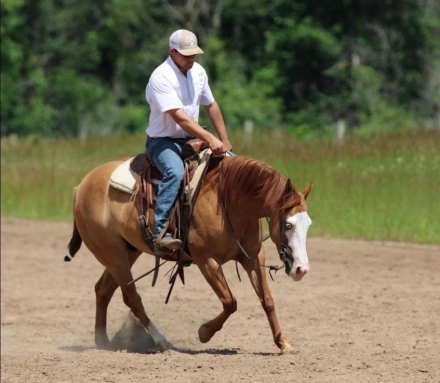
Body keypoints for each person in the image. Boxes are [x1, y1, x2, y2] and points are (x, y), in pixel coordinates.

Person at [145, 29, 232, 255]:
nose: (192, 58)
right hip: (162, 141)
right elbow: (181, 118)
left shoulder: (199, 72)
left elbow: (210, 105)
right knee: (174, 172)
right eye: (186, 54)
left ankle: (236, 228)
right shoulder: (161, 77)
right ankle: (161, 233)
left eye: (194, 54)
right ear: (172, 52)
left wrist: (224, 139)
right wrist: (210, 138)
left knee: (233, 165)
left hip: (192, 139)